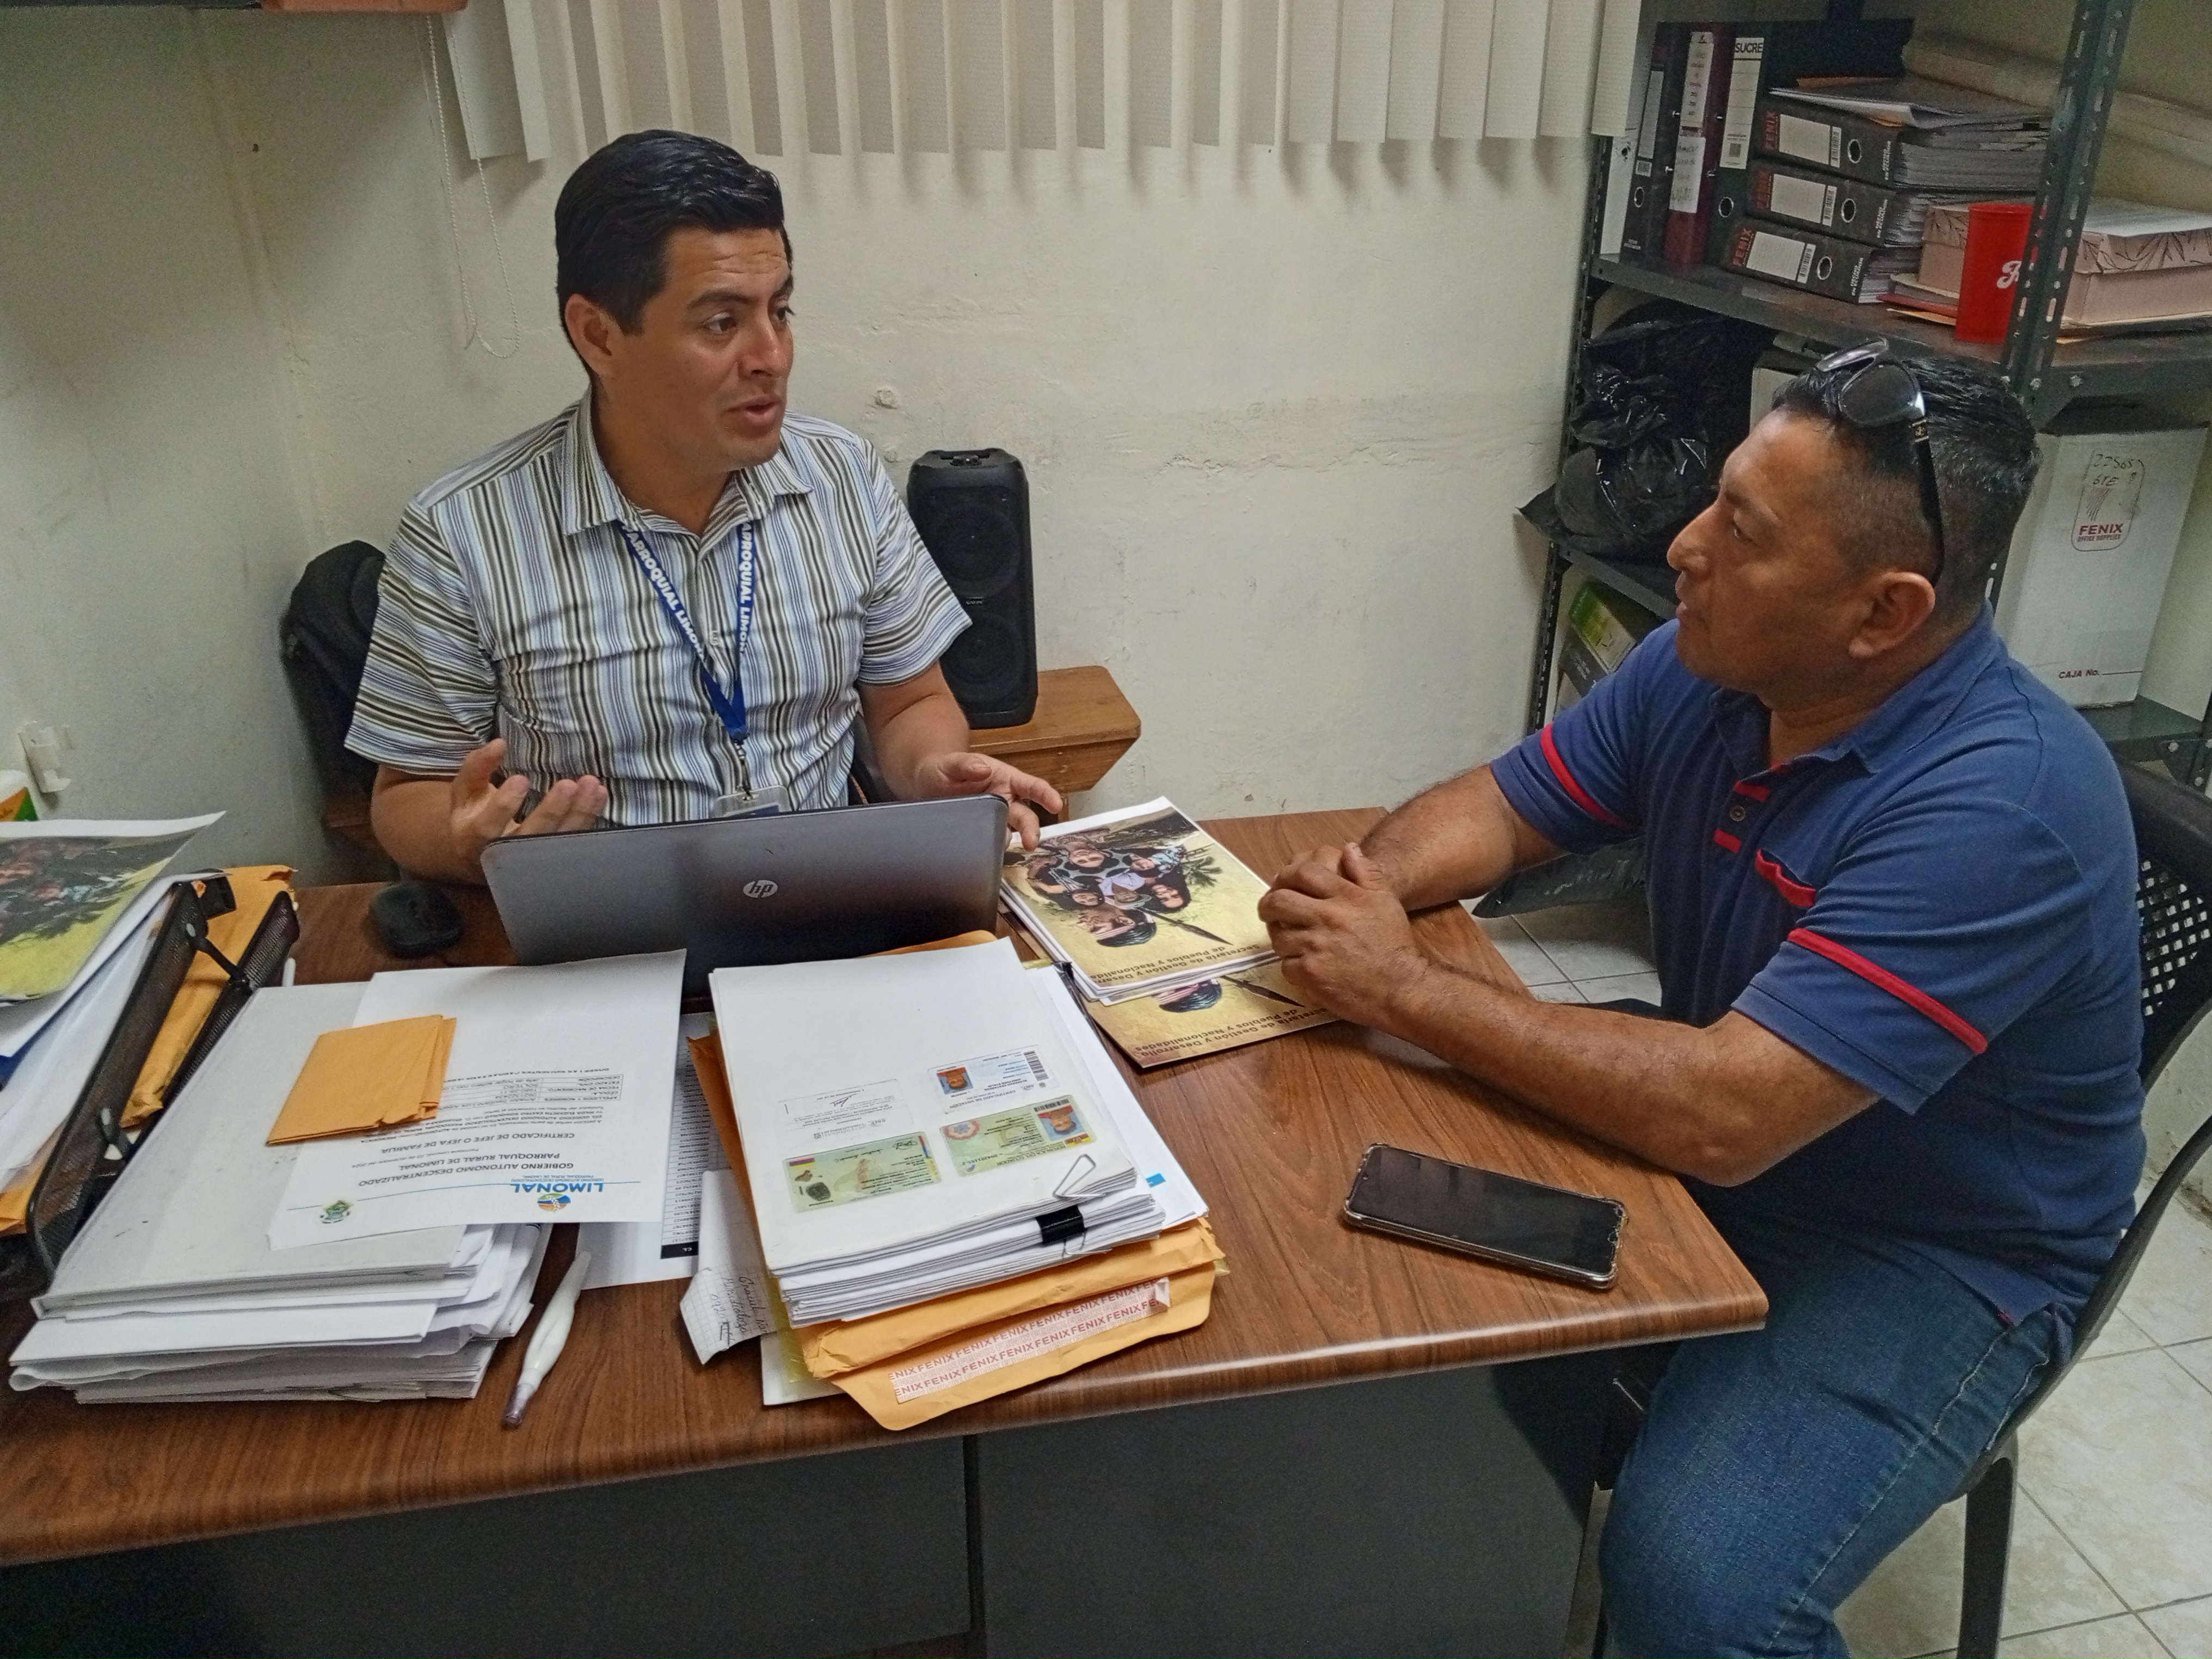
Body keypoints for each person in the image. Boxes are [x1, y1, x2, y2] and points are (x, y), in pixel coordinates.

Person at [1259, 351, 2144, 1658]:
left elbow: (1724, 1116)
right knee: (1366, 1272)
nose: (1683, 547)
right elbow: (1505, 806)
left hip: (1926, 1250)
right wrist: (1363, 894)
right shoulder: (1713, 666)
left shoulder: (2001, 804)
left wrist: (1398, 982)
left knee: (1695, 1587)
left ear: (1882, 612)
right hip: (1741, 1123)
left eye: (1741, 529)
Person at [346, 130, 1058, 881]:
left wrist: (932, 773)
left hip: (830, 896)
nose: (770, 356)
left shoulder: (841, 475)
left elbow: (910, 702)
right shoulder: (463, 531)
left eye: (779, 311)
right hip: (611, 917)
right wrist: (469, 845)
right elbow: (406, 792)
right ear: (598, 336)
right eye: (722, 323)